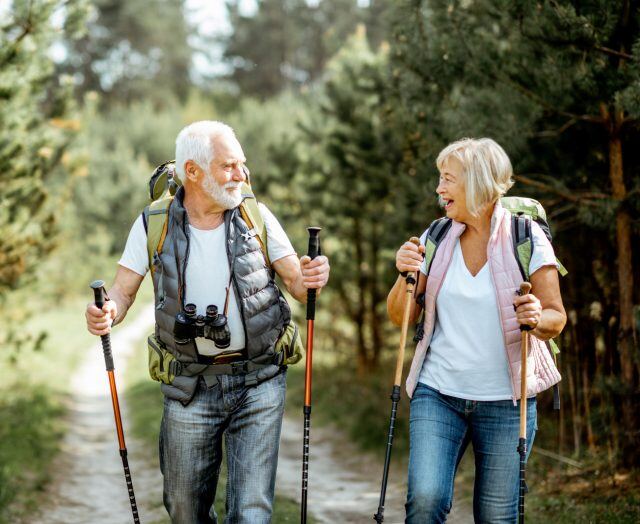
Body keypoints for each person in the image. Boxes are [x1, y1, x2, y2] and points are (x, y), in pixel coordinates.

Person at [85, 121, 330, 524]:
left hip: (259, 380)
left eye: (241, 164)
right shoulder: (154, 223)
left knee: (251, 513)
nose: (241, 175)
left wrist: (315, 275)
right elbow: (122, 292)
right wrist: (105, 312)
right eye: (228, 166)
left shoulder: (256, 215)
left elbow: (300, 286)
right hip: (188, 383)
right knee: (184, 510)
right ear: (193, 171)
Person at [387, 138, 566, 523]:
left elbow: (556, 317)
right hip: (439, 394)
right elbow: (401, 317)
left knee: (497, 517)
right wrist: (405, 275)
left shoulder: (526, 237)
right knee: (425, 500)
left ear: (478, 184)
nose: (439, 189)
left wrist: (536, 317)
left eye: (448, 180)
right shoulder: (436, 236)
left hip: (506, 401)